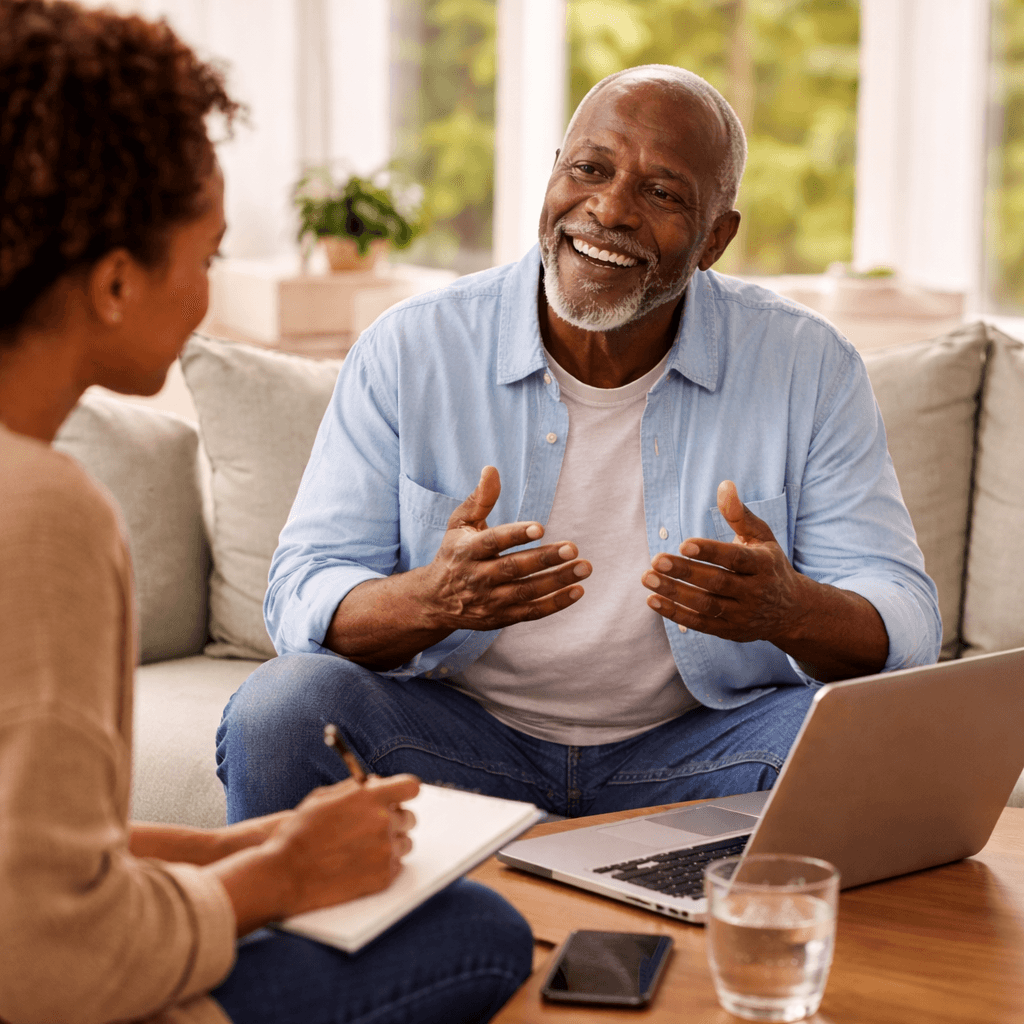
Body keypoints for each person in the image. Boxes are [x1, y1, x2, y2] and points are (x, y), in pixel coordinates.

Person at [217, 64, 941, 824]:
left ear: (715, 239)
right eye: (590, 169)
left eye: (662, 194)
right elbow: (301, 591)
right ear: (554, 174)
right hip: (451, 741)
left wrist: (789, 609)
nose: (609, 209)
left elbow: (904, 618)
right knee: (281, 713)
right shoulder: (411, 348)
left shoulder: (808, 364)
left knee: (877, 741)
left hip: (706, 751)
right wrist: (433, 598)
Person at [0, 3, 533, 1023]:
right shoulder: (43, 515)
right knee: (477, 932)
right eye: (206, 257)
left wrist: (240, 849)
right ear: (114, 281)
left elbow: (27, 850)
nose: (208, 295)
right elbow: (43, 958)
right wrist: (275, 883)